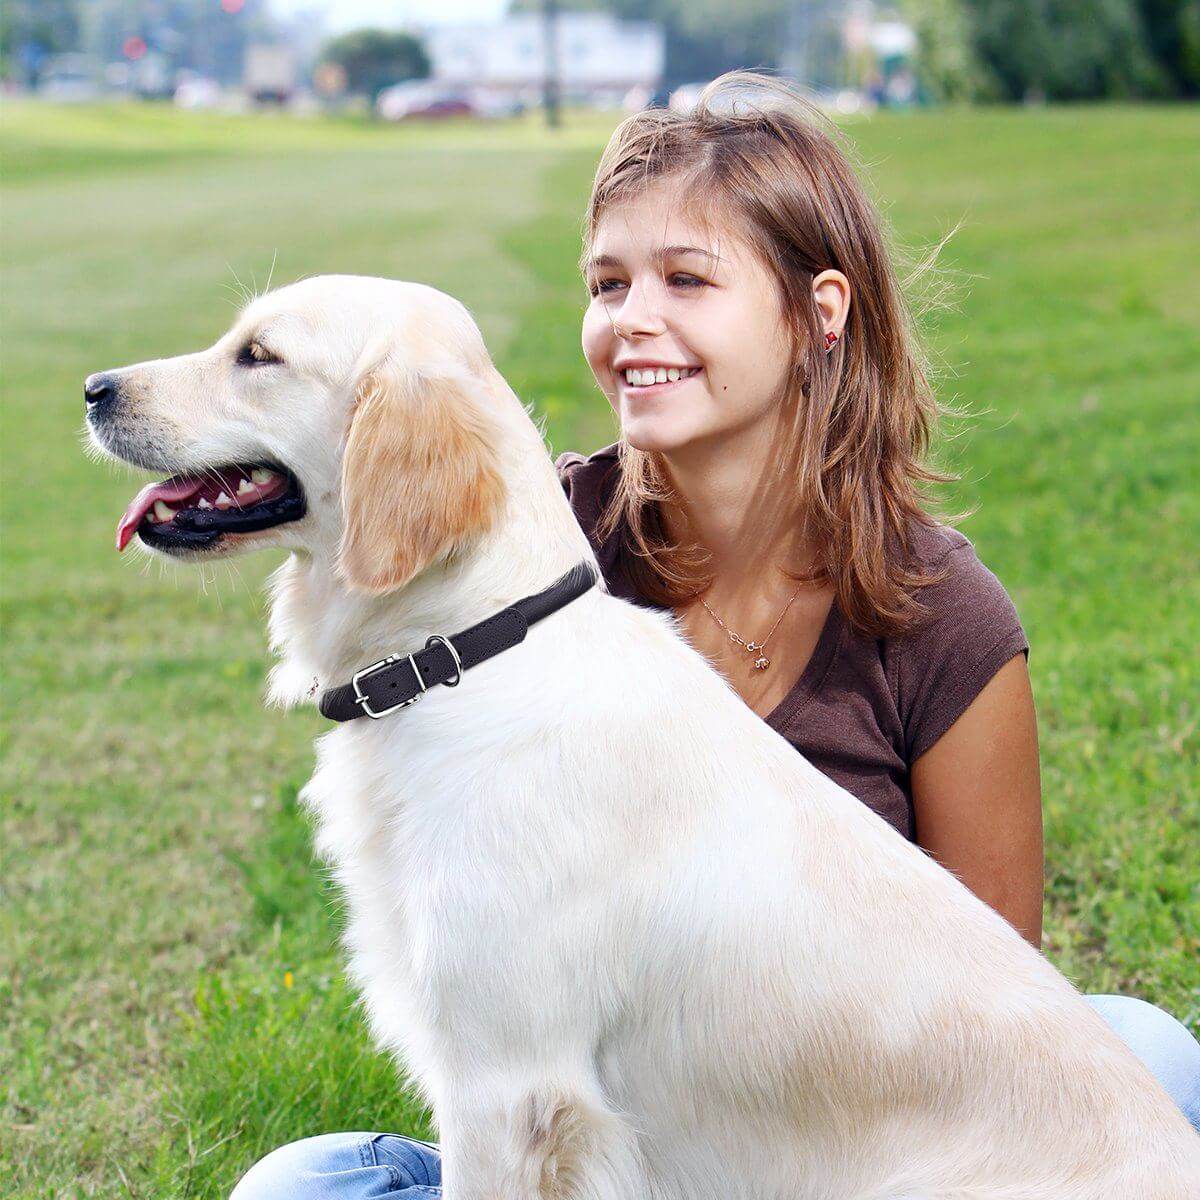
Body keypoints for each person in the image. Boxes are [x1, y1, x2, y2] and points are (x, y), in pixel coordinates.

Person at [231, 72, 1199, 1198]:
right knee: (303, 1186)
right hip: (627, 1135)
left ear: (818, 314)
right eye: (608, 282)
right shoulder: (530, 560)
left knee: (1138, 1051)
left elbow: (983, 994)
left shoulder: (942, 616)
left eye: (687, 279)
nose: (633, 319)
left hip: (842, 1144)